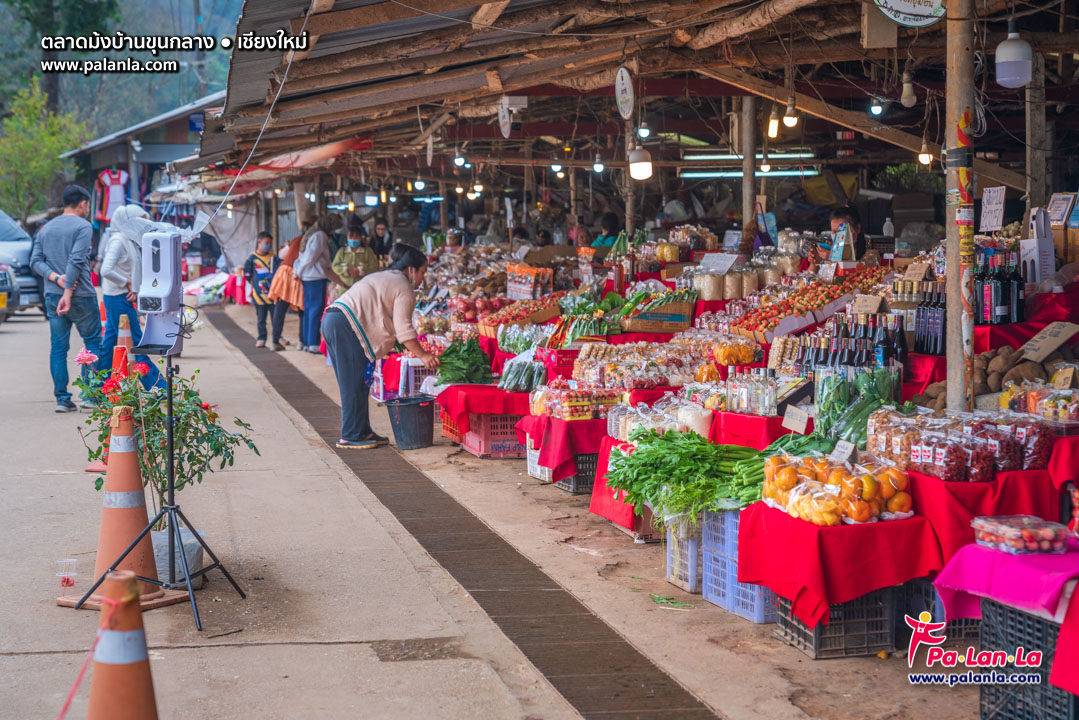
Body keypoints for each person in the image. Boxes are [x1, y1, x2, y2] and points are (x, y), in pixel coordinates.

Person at [322, 243, 439, 450]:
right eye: (422, 272)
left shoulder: (385, 276)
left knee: (358, 382)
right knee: (353, 384)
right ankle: (351, 434)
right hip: (346, 325)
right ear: (411, 270)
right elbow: (404, 330)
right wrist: (423, 355)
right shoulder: (404, 286)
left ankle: (362, 430)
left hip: (335, 319)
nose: (422, 278)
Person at [30, 185, 101, 412]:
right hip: (80, 297)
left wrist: (55, 278)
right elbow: (77, 260)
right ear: (83, 203)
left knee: (58, 348)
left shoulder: (45, 229)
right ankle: (89, 397)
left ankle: (62, 399)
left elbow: (35, 261)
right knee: (91, 343)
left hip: (52, 294)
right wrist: (68, 292)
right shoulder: (83, 226)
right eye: (88, 205)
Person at [97, 204, 161, 388]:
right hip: (118, 298)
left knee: (109, 346)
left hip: (121, 297)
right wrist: (126, 283)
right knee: (135, 344)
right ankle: (158, 386)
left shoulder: (128, 240)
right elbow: (106, 270)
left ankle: (99, 386)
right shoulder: (119, 240)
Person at [293, 214, 348, 353]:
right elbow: (310, 256)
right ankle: (313, 344)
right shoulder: (320, 236)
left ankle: (307, 342)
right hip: (315, 277)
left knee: (309, 310)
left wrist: (299, 272)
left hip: (309, 277)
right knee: (315, 310)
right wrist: (298, 272)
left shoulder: (313, 234)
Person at [267, 218, 311, 351]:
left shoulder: (297, 239)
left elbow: (281, 255)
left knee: (280, 309)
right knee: (302, 309)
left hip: (283, 272)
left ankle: (275, 341)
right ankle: (302, 342)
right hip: (297, 275)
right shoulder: (311, 240)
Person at [243, 231, 280, 348]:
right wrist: (255, 284)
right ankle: (262, 338)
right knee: (261, 319)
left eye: (270, 243)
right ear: (259, 242)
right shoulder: (252, 258)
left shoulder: (273, 257)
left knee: (276, 318)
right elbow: (247, 274)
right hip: (259, 295)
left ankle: (277, 337)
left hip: (273, 294)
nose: (268, 245)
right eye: (266, 243)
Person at [806, 206, 867, 272]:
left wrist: (834, 257)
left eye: (842, 230)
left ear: (857, 228)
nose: (838, 235)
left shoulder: (869, 254)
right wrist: (815, 263)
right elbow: (807, 279)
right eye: (834, 231)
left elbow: (859, 275)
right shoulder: (827, 252)